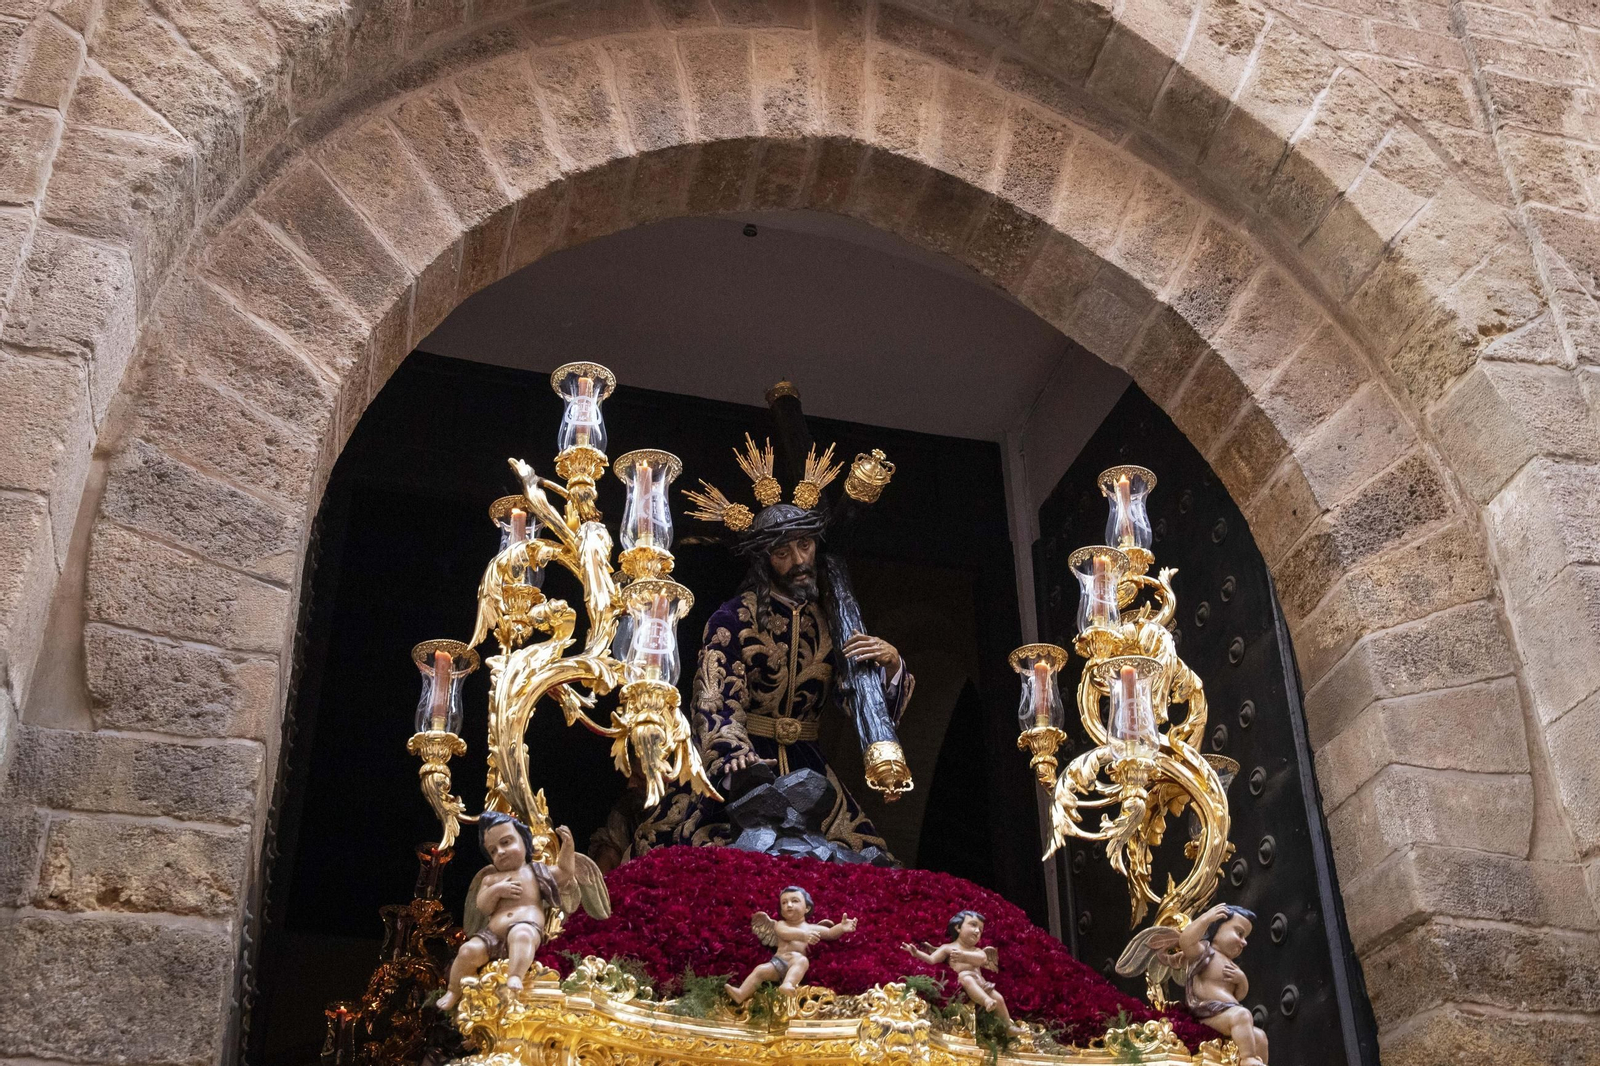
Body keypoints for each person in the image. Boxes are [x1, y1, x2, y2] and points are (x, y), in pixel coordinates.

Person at [633, 499, 913, 856]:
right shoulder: (734, 618)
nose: (798, 561)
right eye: (783, 552)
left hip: (808, 767)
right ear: (764, 559)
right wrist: (733, 755)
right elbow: (714, 697)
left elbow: (859, 706)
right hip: (749, 761)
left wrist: (891, 666)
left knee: (860, 859)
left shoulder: (834, 621)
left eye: (805, 546)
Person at [436, 814, 577, 1009]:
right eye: (493, 850)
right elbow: (483, 906)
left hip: (525, 925)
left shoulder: (535, 872)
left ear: (525, 841)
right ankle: (453, 990)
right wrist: (496, 891)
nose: (500, 852)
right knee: (467, 950)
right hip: (492, 934)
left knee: (522, 936)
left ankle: (515, 976)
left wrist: (568, 847)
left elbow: (565, 872)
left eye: (506, 842)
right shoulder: (490, 879)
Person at [726, 885, 858, 1004]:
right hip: (778, 962)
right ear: (781, 910)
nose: (789, 905)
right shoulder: (781, 924)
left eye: (794, 901)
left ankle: (788, 984)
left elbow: (829, 933)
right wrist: (804, 935)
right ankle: (741, 993)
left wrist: (841, 927)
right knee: (760, 970)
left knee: (801, 959)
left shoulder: (812, 927)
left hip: (795, 964)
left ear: (807, 907)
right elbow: (785, 933)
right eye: (784, 902)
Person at [902, 910, 1023, 1033]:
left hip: (982, 982)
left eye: (980, 930)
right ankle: (986, 1001)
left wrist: (963, 956)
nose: (977, 931)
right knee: (967, 978)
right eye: (973, 925)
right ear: (958, 927)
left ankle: (1008, 1026)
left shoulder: (977, 950)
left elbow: (982, 959)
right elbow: (931, 959)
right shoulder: (947, 948)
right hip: (965, 979)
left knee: (1000, 998)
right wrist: (916, 953)